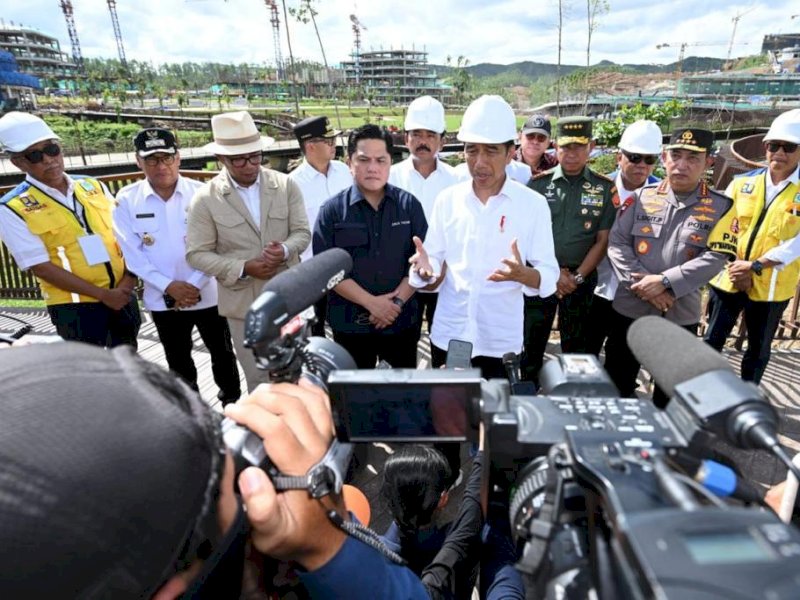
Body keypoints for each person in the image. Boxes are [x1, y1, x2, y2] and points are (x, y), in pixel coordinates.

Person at [409, 94, 559, 379]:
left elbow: (548, 274)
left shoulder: (532, 205)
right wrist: (425, 271)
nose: (479, 162)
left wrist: (523, 275)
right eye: (471, 150)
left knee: (495, 416)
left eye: (490, 151)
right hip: (453, 335)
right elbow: (432, 263)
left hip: (500, 341)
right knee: (450, 415)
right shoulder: (448, 200)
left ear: (510, 152)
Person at [605, 128, 738, 405]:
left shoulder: (721, 206)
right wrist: (644, 286)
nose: (681, 164)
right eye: (675, 155)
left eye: (692, 158)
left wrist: (665, 282)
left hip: (678, 312)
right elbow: (617, 242)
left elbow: (717, 255)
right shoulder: (641, 197)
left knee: (670, 391)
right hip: (631, 305)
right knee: (618, 381)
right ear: (665, 158)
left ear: (708, 163)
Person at [114, 127, 241, 404]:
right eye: (151, 160)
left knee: (222, 352)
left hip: (208, 293)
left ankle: (231, 403)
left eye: (167, 157)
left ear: (178, 158)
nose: (161, 166)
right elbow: (132, 254)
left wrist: (193, 285)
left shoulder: (203, 193)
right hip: (162, 299)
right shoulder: (126, 200)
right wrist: (169, 286)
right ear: (138, 161)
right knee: (178, 358)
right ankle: (192, 410)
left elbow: (217, 245)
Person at [186, 111, 310, 392]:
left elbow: (302, 233)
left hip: (289, 299)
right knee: (261, 382)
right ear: (221, 159)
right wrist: (244, 267)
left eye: (255, 156)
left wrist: (286, 250)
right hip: (244, 308)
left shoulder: (286, 184)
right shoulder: (205, 200)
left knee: (298, 372)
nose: (249, 165)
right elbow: (196, 254)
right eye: (239, 159)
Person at [0, 111, 141, 347]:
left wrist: (128, 282)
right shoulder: (12, 208)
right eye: (35, 155)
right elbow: (41, 267)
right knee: (89, 377)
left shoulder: (92, 185)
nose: (48, 159)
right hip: (76, 310)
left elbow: (126, 236)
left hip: (122, 297)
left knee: (130, 369)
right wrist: (104, 296)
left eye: (52, 149)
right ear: (18, 162)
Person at [313, 124, 427, 369]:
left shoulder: (409, 207)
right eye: (363, 160)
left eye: (380, 160)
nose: (372, 168)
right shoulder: (331, 212)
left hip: (401, 323)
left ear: (390, 162)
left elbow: (421, 262)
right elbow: (326, 270)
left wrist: (394, 305)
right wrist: (371, 303)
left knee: (402, 398)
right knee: (354, 401)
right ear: (349, 161)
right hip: (350, 328)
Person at [705, 109, 800, 384]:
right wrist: (737, 266)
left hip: (772, 285)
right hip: (729, 277)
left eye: (789, 147)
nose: (779, 153)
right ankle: (704, 393)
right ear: (765, 147)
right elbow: (722, 228)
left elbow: (796, 244)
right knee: (712, 340)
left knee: (758, 349)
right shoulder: (741, 183)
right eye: (774, 146)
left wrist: (756, 266)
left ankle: (746, 396)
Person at [524, 116, 616, 385]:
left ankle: (573, 398)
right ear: (555, 147)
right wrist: (553, 275)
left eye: (579, 146)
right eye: (565, 147)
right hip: (540, 277)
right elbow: (527, 235)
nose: (571, 153)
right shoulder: (539, 185)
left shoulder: (603, 187)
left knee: (577, 348)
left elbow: (602, 240)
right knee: (532, 342)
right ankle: (526, 394)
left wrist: (574, 278)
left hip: (580, 280)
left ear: (591, 147)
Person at [587, 119, 662, 356]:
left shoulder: (662, 197)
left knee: (623, 358)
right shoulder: (597, 188)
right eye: (634, 157)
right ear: (619, 157)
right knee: (585, 354)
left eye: (649, 159)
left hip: (633, 294)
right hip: (593, 287)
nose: (642, 165)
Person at [388, 96, 459, 336]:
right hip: (401, 280)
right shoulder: (390, 178)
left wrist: (442, 270)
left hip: (447, 281)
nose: (423, 141)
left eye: (430, 135)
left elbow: (462, 231)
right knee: (403, 352)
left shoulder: (458, 181)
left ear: (443, 140)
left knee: (445, 348)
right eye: (416, 134)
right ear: (406, 138)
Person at [380, 445, 483, 600]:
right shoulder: (453, 543)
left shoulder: (377, 553)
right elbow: (473, 507)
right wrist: (483, 451)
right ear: (442, 499)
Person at [289, 116, 352, 336]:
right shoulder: (293, 185)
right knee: (315, 331)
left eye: (334, 140)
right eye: (329, 141)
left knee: (347, 325)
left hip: (347, 265)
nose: (334, 145)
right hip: (313, 271)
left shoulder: (344, 172)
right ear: (310, 146)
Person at [514, 113, 558, 178]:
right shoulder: (507, 162)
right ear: (520, 137)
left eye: (541, 137)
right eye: (530, 136)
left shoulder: (555, 166)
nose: (535, 141)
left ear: (548, 142)